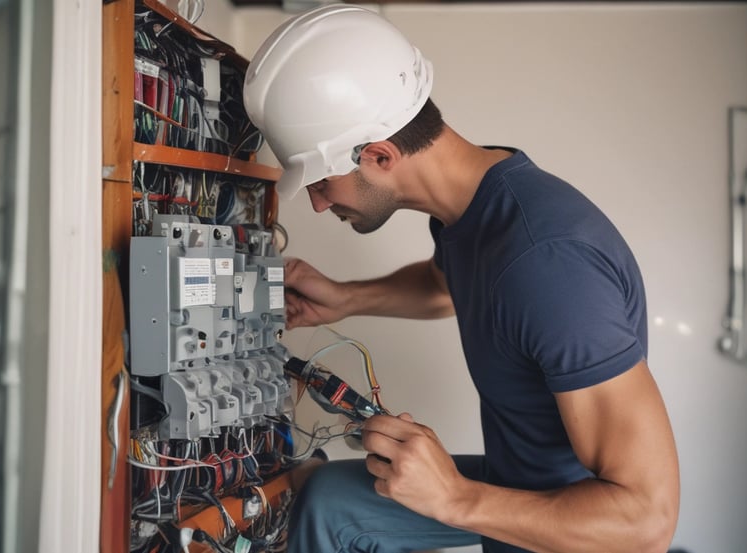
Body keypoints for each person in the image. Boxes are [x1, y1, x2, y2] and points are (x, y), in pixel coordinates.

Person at [243, 5, 680, 553]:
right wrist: (346, 299)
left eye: (321, 182)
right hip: (518, 479)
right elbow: (447, 287)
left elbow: (645, 522)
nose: (315, 202)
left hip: (577, 526)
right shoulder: (474, 210)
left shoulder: (548, 268)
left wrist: (453, 497)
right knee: (330, 497)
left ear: (379, 155)